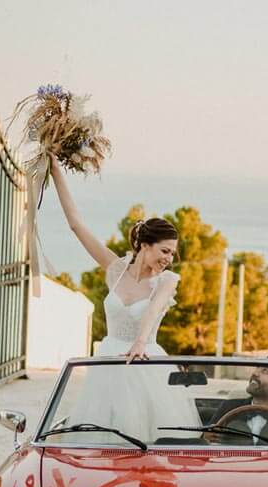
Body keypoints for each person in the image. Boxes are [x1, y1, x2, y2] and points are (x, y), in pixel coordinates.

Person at [45, 160, 197, 442]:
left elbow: (152, 311)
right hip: (108, 364)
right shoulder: (115, 271)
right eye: (165, 250)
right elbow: (77, 226)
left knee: (146, 439)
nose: (169, 258)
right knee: (103, 437)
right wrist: (55, 171)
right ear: (143, 245)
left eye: (173, 253)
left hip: (145, 363)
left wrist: (139, 342)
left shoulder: (167, 281)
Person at [207, 357, 268, 444]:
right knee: (236, 427)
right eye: (257, 368)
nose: (255, 373)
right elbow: (205, 441)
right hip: (229, 464)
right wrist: (206, 436)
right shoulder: (229, 406)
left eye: (265, 371)